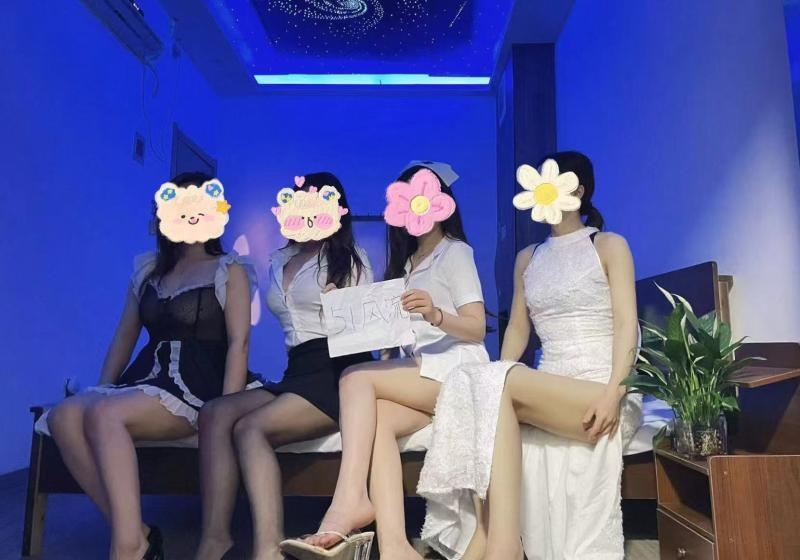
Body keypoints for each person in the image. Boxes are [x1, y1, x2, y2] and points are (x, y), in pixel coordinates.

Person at [418, 151, 643, 560]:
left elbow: (628, 325)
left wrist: (614, 392)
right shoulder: (528, 257)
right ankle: (493, 539)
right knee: (479, 382)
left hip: (599, 387)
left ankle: (494, 545)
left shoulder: (609, 245)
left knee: (488, 381)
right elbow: (519, 328)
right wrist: (494, 377)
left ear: (578, 189)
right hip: (549, 386)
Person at [280, 162, 490, 560]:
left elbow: (477, 327)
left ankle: (348, 501)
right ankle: (395, 546)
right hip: (424, 371)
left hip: (457, 370)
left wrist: (436, 314)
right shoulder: (407, 265)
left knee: (355, 378)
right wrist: (340, 306)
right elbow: (387, 332)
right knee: (375, 417)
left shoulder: (455, 253)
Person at [45, 172, 256, 560]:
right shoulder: (148, 271)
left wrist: (224, 413)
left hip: (196, 383)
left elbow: (239, 343)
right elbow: (123, 338)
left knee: (106, 415)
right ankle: (136, 534)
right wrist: (102, 389)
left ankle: (126, 547)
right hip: (148, 377)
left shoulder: (230, 270)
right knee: (64, 416)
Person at [194, 172, 374, 560]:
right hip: (297, 370)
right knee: (213, 413)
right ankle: (215, 538)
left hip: (337, 369)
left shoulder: (350, 259)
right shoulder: (280, 260)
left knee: (251, 428)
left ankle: (267, 550)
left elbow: (369, 330)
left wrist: (341, 306)